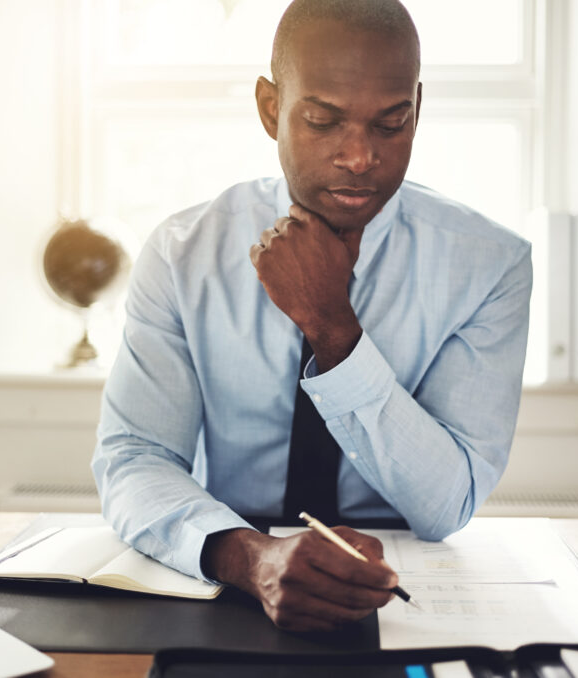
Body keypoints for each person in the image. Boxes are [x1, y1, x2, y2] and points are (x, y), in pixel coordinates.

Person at [92, 0, 532, 632]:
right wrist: (251, 557)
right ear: (271, 109)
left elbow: (446, 505)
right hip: (227, 572)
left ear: (418, 109)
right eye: (323, 121)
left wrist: (333, 327)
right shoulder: (183, 252)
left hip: (404, 594)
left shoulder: (491, 265)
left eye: (391, 124)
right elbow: (135, 459)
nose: (359, 157)